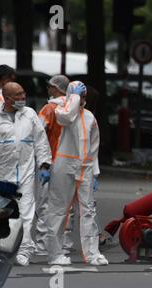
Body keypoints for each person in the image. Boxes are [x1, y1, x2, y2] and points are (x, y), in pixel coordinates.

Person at [0, 82, 51, 266]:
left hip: (26, 173)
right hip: (1, 175)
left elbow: (40, 141)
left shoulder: (30, 115)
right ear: (7, 98)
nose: (23, 97)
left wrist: (44, 165)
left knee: (26, 213)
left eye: (23, 93)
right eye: (18, 95)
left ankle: (24, 251)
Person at [46, 81, 108, 266]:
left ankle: (92, 253)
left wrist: (95, 173)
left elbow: (94, 147)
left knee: (88, 210)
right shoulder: (61, 111)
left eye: (83, 96)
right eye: (78, 95)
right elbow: (67, 117)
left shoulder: (90, 118)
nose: (81, 100)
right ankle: (55, 254)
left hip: (85, 167)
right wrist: (72, 97)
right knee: (58, 211)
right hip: (64, 165)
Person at [34, 75, 71, 256]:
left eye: (49, 86)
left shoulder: (49, 108)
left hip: (50, 161)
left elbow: (38, 132)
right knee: (65, 205)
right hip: (70, 162)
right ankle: (64, 244)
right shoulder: (76, 108)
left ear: (55, 88)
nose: (48, 90)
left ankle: (42, 245)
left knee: (44, 204)